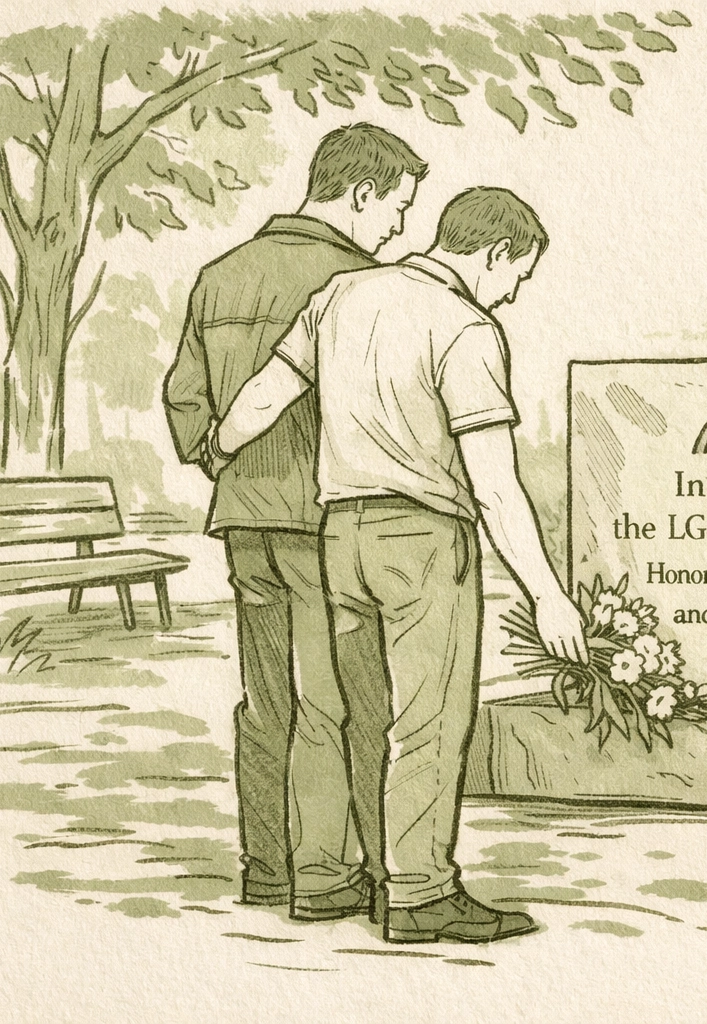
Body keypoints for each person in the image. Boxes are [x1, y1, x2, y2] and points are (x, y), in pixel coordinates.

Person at [209, 187, 587, 944]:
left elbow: (265, 395)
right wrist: (548, 595)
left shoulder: (343, 294)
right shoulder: (466, 327)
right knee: (430, 722)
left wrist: (221, 447)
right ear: (490, 255)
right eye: (516, 274)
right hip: (421, 540)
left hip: (339, 537)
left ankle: (342, 877)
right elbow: (495, 484)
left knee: (349, 712)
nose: (513, 292)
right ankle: (417, 893)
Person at [162, 124, 427, 920]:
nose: (397, 230)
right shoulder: (361, 284)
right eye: (396, 210)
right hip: (328, 519)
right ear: (359, 194)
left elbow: (185, 397)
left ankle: (267, 869)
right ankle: (324, 875)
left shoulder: (219, 277)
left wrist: (220, 461)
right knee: (337, 699)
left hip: (245, 520)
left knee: (265, 698)